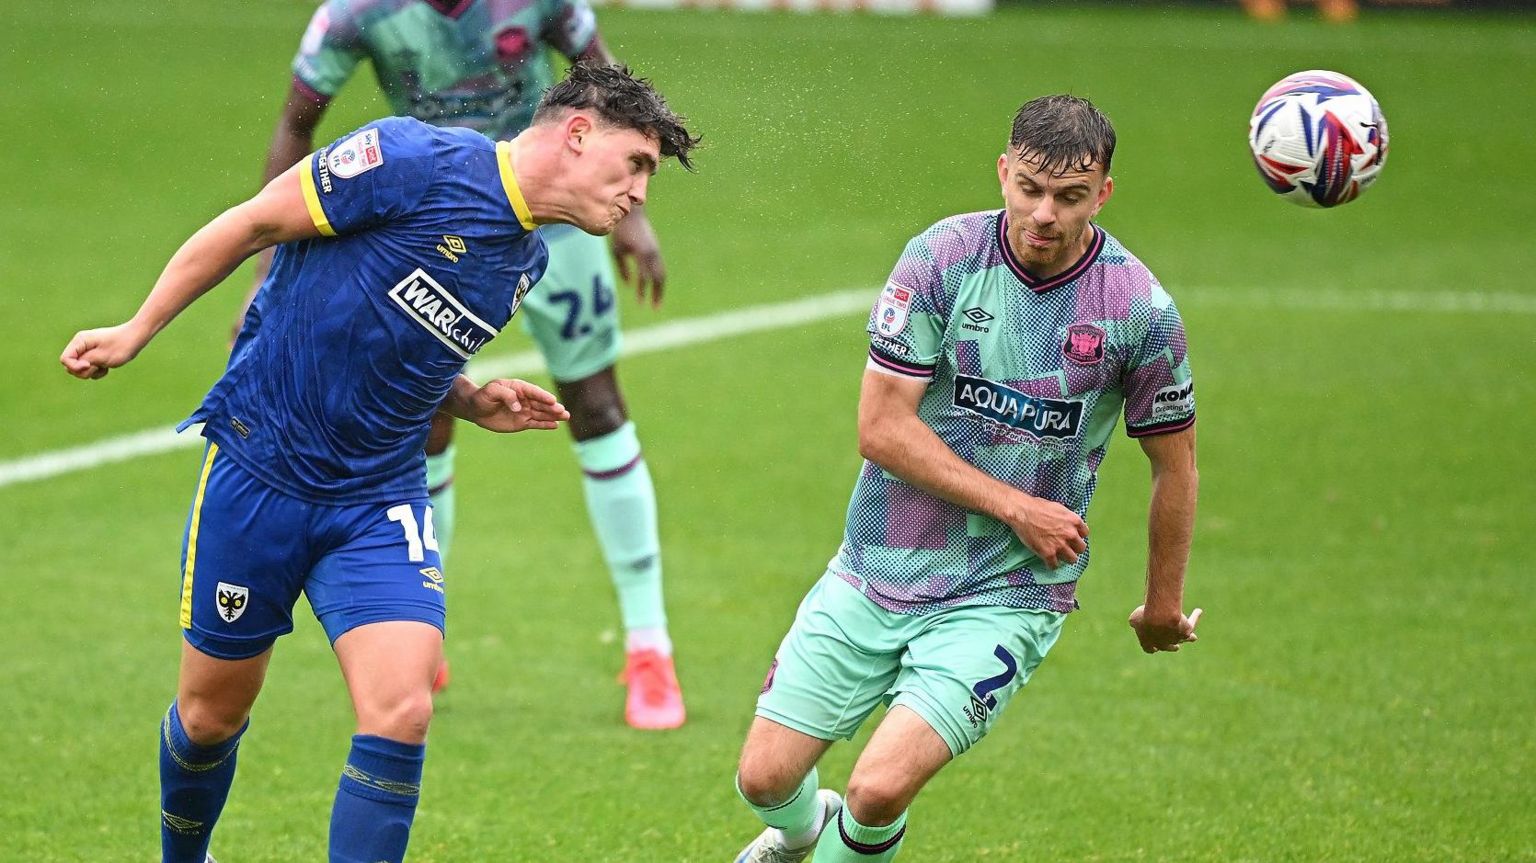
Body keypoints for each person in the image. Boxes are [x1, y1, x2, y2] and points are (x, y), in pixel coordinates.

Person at [60, 64, 697, 863]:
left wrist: (470, 400)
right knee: (209, 716)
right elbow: (253, 224)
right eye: (636, 163)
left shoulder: (524, 261)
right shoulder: (410, 160)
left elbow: (404, 345)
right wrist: (134, 331)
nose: (641, 192)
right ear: (577, 134)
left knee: (402, 707)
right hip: (263, 467)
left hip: (376, 499)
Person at [730, 94, 1202, 863]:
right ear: (1004, 173)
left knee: (878, 789)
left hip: (1007, 593)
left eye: (1070, 197)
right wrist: (1020, 505)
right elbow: (882, 427)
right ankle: (796, 832)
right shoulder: (942, 259)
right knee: (763, 778)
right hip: (876, 567)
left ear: (1104, 194)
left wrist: (1164, 603)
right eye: (1030, 189)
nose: (1045, 213)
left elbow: (1173, 464)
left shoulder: (1138, 309)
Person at [242, 0, 688, 728]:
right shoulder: (357, 14)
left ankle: (649, 649)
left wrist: (630, 213)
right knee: (422, 417)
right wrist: (266, 273)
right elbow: (298, 122)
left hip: (557, 214)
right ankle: (424, 640)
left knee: (597, 405)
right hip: (431, 223)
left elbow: (606, 83)